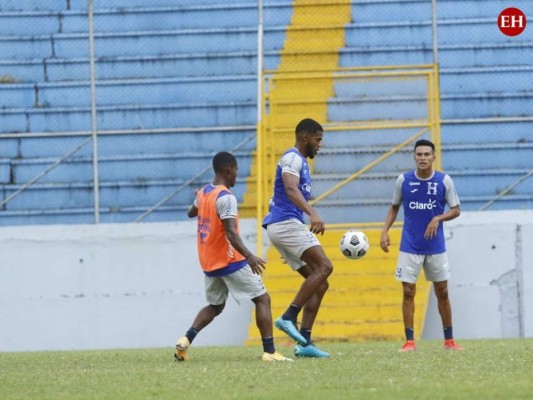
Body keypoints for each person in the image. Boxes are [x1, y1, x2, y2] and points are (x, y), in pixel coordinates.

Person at [175, 151, 292, 362]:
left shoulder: (203, 193)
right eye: (236, 170)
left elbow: (191, 213)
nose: (237, 175)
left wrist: (198, 198)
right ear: (229, 169)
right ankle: (270, 352)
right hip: (230, 260)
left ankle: (185, 340)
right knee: (263, 299)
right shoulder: (226, 197)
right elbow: (230, 232)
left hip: (209, 262)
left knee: (215, 306)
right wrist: (249, 256)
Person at [380, 139, 464, 352]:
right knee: (408, 291)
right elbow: (394, 207)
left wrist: (438, 218)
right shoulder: (404, 180)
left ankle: (449, 341)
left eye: (427, 154)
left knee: (442, 291)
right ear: (414, 157)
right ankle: (409, 341)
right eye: (419, 154)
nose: (423, 158)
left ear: (434, 157)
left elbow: (456, 209)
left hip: (435, 246)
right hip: (410, 246)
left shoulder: (444, 181)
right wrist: (385, 231)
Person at [262, 118, 333, 358]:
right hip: (285, 224)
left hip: (285, 227)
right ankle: (288, 316)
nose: (319, 145)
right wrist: (313, 213)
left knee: (320, 282)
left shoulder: (301, 162)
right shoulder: (292, 158)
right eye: (318, 139)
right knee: (325, 267)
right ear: (305, 137)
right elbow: (290, 189)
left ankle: (305, 343)